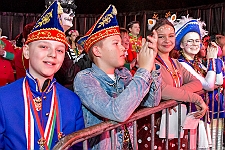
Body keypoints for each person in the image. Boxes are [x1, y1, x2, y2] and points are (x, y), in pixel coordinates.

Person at [74, 4, 161, 150]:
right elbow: (117, 112)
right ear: (97, 51)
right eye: (116, 43)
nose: (123, 47)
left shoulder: (124, 74)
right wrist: (143, 71)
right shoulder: (85, 79)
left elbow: (152, 102)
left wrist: (151, 66)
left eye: (122, 43)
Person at [0, 2, 84, 149]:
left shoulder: (73, 101)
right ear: (26, 51)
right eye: (44, 47)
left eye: (60, 50)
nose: (52, 54)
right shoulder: (3, 98)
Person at [137, 17, 208, 150]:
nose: (167, 40)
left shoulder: (175, 62)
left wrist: (175, 94)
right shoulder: (150, 62)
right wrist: (194, 98)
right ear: (153, 39)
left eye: (171, 36)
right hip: (154, 127)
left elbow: (197, 83)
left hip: (174, 125)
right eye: (161, 37)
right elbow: (162, 90)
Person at [174, 16, 225, 149]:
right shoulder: (182, 63)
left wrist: (215, 60)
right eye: (189, 41)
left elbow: (218, 81)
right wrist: (212, 60)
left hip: (203, 115)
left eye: (197, 41)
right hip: (193, 116)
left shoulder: (197, 63)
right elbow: (208, 85)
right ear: (181, 45)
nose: (195, 44)